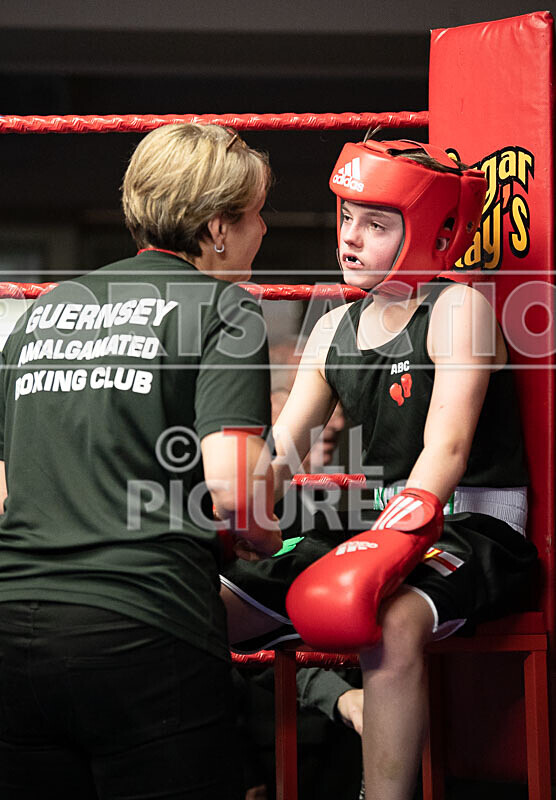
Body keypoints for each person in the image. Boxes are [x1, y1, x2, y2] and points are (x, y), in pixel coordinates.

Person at [221, 138, 537, 800]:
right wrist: (236, 509)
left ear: (432, 229)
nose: (350, 238)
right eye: (346, 217)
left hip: (472, 528)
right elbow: (282, 449)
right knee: (193, 606)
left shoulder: (458, 311)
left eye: (376, 222)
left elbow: (446, 448)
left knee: (393, 623)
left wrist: (393, 539)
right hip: (377, 528)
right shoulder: (334, 330)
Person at [0, 123, 282, 800]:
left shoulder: (46, 310)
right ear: (218, 227)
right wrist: (266, 533)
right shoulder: (223, 309)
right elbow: (234, 490)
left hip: (13, 628)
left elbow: (6, 493)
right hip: (144, 632)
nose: (265, 230)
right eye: (256, 214)